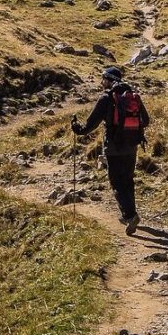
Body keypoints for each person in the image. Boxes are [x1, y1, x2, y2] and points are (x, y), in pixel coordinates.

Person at [71, 66, 149, 235]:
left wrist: (77, 128)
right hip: (132, 146)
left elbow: (89, 125)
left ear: (108, 79)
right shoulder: (133, 96)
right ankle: (129, 213)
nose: (101, 82)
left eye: (103, 79)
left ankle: (130, 215)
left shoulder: (106, 98)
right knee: (128, 180)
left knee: (116, 182)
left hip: (113, 147)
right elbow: (146, 120)